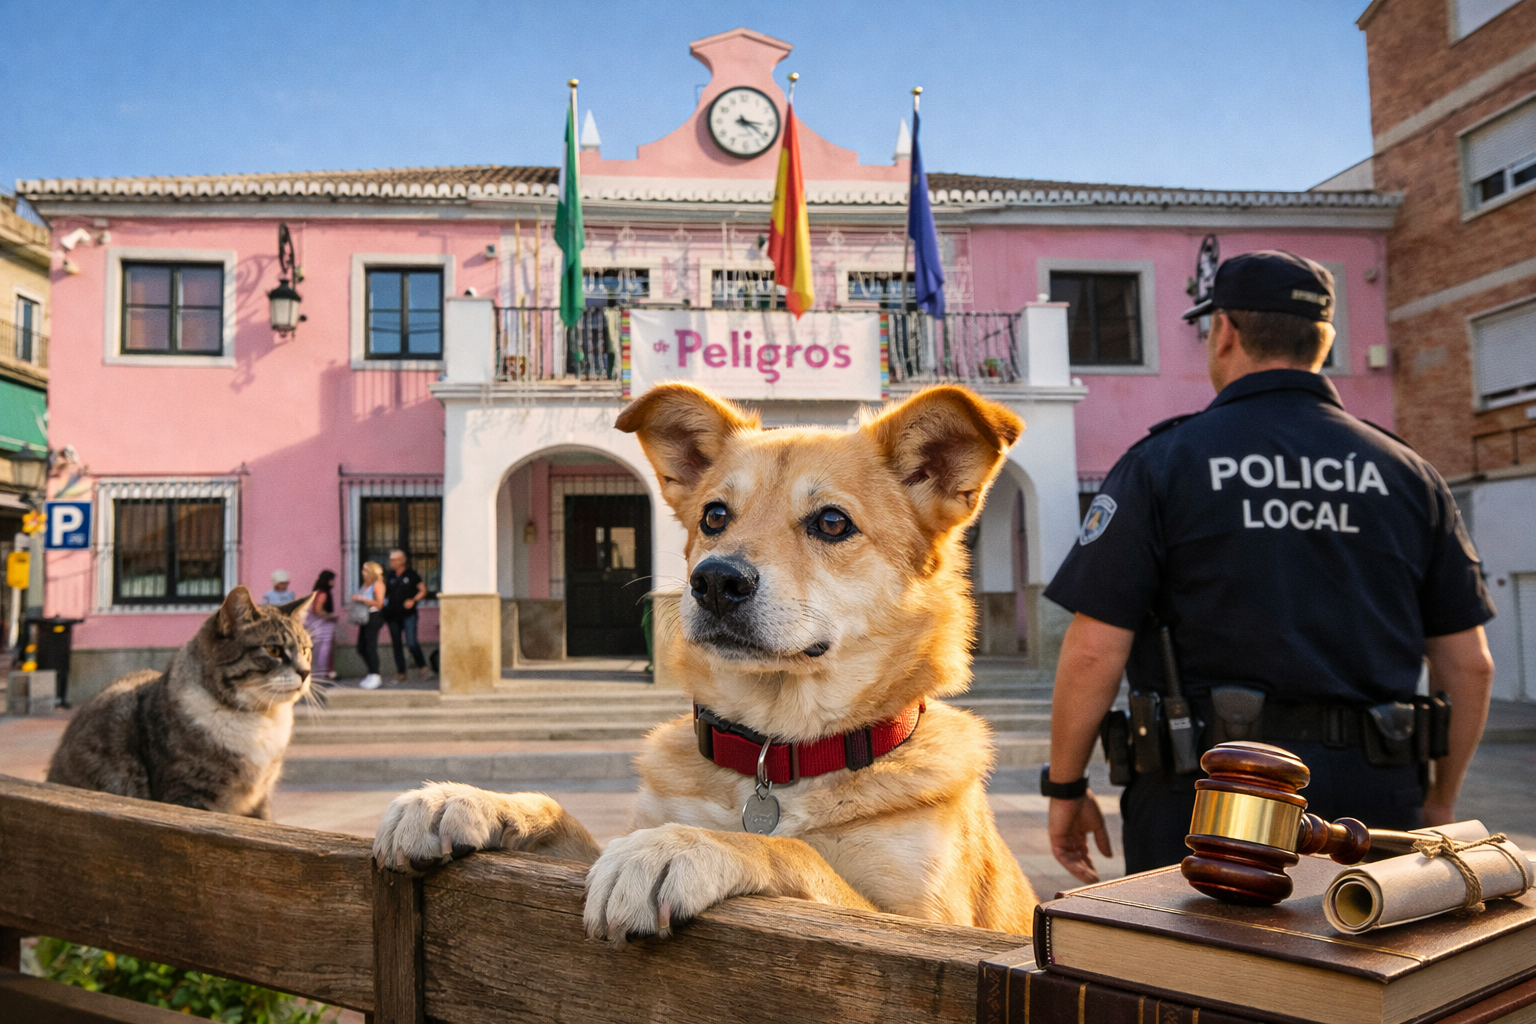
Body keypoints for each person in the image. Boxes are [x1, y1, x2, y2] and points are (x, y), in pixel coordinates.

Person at [1041, 250, 1497, 884]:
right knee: (1354, 975)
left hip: (1206, 792)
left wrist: (1064, 787)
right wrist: (1439, 801)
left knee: (1196, 974)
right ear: (1324, 341)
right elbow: (1469, 664)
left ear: (1225, 330)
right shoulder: (1407, 475)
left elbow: (1095, 649)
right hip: (1372, 801)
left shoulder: (1164, 463)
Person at [383, 549, 430, 682]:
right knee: (396, 645)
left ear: (402, 560)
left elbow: (423, 590)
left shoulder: (412, 574)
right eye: (390, 559)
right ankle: (401, 673)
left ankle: (423, 666)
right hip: (392, 615)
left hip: (408, 615)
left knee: (411, 643)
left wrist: (413, 600)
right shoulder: (390, 575)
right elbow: (385, 593)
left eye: (394, 559)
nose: (391, 562)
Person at [353, 561, 386, 690]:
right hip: (365, 617)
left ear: (372, 572)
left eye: (365, 570)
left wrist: (362, 599)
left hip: (374, 616)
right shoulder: (366, 585)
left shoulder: (378, 584)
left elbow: (379, 603)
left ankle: (375, 675)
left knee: (370, 646)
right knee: (361, 647)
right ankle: (371, 672)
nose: (363, 572)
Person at [306, 569, 340, 681]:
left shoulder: (317, 592)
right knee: (324, 650)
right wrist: (331, 616)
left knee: (319, 650)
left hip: (316, 625)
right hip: (323, 626)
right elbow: (317, 610)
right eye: (332, 580)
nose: (333, 582)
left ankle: (321, 673)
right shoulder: (323, 593)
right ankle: (322, 674)